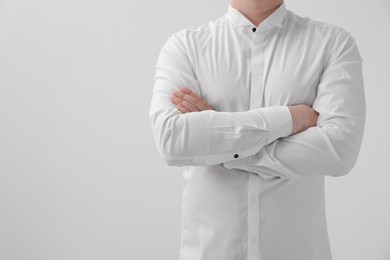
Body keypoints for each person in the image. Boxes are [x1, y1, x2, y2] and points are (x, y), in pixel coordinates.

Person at [149, 0, 366, 259]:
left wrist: (220, 144)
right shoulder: (185, 47)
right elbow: (173, 140)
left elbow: (338, 150)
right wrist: (289, 118)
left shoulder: (333, 44)